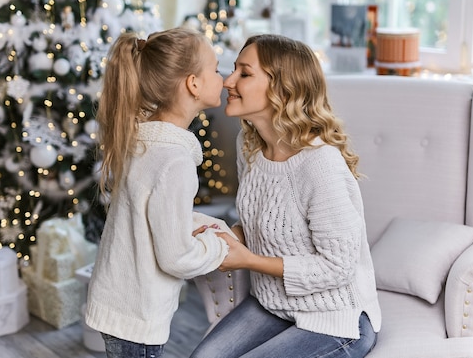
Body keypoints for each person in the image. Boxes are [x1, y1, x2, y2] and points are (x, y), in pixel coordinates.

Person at [190, 34, 382, 358]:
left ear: (281, 88)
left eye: (244, 73)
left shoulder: (320, 165)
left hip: (336, 322)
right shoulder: (248, 145)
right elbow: (264, 220)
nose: (228, 81)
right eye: (233, 70)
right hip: (272, 306)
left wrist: (248, 260)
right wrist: (228, 235)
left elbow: (338, 267)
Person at [85, 27, 230, 358]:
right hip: (137, 319)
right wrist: (218, 247)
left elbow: (147, 214)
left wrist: (195, 225)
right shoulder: (174, 161)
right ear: (193, 84)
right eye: (217, 68)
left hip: (116, 304)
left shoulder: (144, 143)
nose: (224, 78)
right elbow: (177, 258)